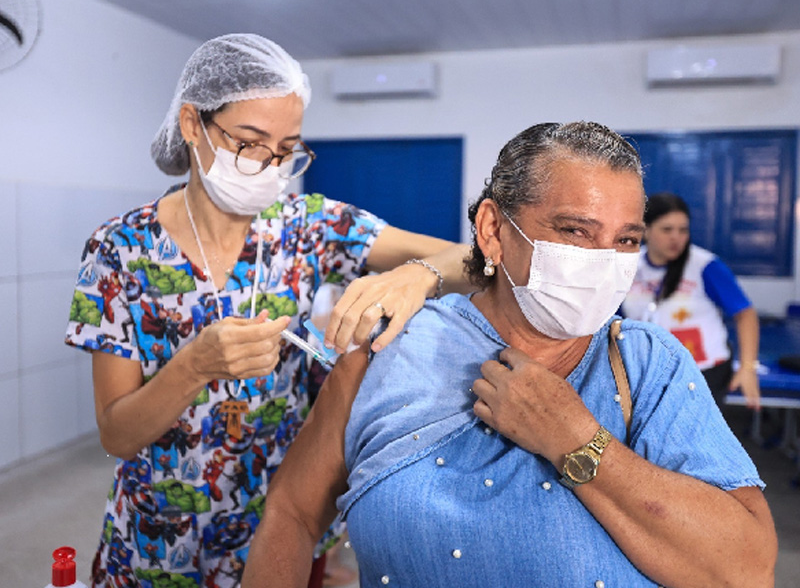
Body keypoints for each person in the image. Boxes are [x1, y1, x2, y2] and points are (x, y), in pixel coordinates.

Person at [242, 121, 777, 588]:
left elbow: (745, 571)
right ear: (494, 232)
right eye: (575, 231)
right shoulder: (387, 353)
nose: (603, 263)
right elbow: (291, 513)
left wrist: (574, 439)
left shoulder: (647, 365)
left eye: (625, 241)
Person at [64, 33, 470, 588]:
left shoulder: (307, 226)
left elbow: (473, 261)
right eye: (251, 142)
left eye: (287, 149)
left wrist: (415, 276)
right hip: (161, 539)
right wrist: (195, 365)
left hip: (284, 528)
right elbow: (116, 434)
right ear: (192, 125)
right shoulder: (120, 250)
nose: (271, 166)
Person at [621, 192, 761, 411]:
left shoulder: (705, 266)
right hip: (651, 373)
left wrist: (747, 367)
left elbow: (745, 313)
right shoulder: (629, 266)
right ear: (645, 230)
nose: (676, 237)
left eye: (683, 230)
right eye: (667, 229)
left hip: (703, 373)